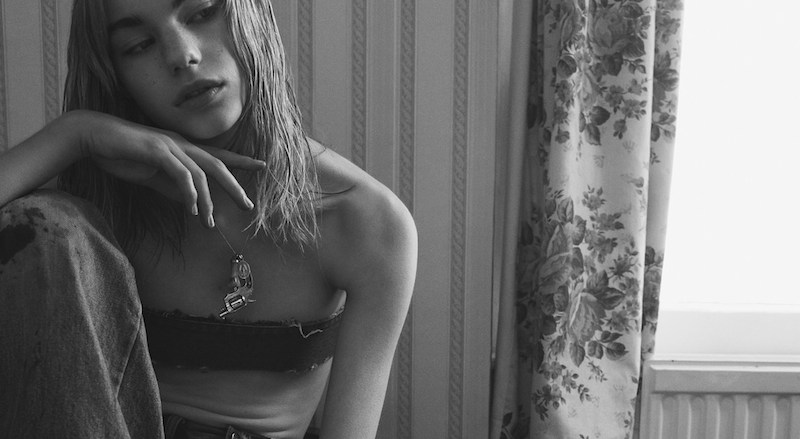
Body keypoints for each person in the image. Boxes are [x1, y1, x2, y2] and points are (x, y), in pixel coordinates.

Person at [0, 0, 417, 437]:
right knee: (45, 220)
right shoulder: (91, 199)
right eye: (139, 45)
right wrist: (73, 134)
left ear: (252, 13)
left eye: (201, 13)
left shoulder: (364, 221)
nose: (182, 56)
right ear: (113, 72)